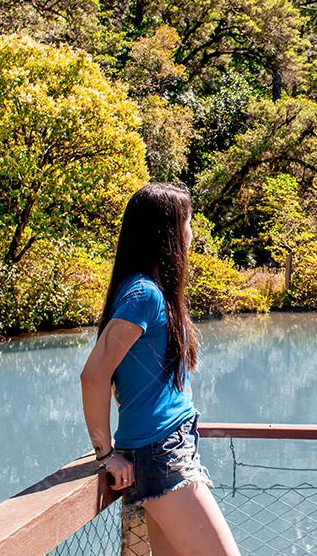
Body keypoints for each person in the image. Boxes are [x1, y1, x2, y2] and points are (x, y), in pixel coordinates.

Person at [80, 182, 239, 555]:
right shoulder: (144, 295)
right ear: (167, 232)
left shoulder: (155, 291)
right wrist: (105, 455)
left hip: (170, 446)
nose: (191, 231)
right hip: (161, 452)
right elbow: (94, 375)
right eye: (187, 221)